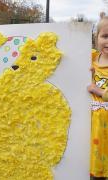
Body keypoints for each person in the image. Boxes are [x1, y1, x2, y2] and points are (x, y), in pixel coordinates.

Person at [87, 15, 108, 180]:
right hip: (92, 124)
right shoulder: (90, 59)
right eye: (105, 36)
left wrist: (99, 92)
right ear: (97, 37)